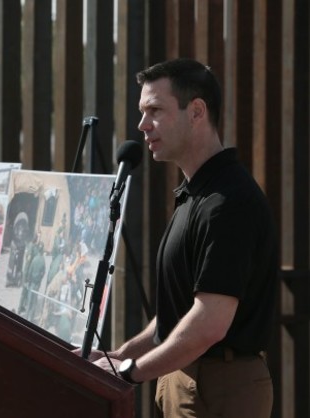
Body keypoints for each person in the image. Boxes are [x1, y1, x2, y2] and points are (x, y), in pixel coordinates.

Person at [86, 58, 277, 417]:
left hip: (221, 386)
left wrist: (131, 372)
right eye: (142, 112)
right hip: (185, 379)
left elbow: (208, 323)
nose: (142, 125)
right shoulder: (196, 195)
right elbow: (179, 312)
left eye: (155, 110)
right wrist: (120, 356)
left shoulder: (228, 202)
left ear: (196, 111)